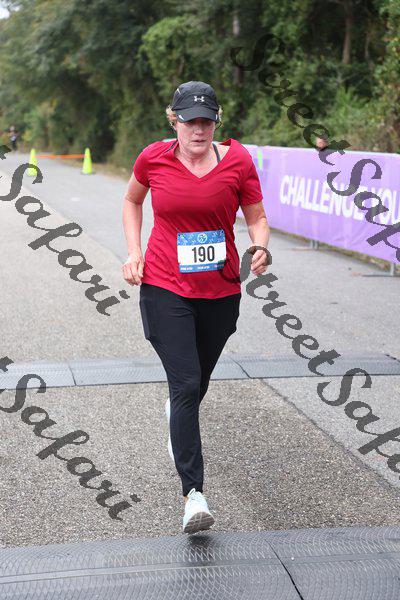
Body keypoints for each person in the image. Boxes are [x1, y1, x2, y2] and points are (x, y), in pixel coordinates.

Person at [122, 80, 271, 534]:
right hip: (165, 286)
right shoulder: (153, 158)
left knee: (195, 384)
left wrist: (261, 246)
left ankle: (178, 417)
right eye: (190, 121)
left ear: (217, 122)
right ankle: (193, 495)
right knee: (186, 383)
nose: (199, 129)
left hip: (221, 291)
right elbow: (131, 200)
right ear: (174, 121)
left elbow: (256, 216)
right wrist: (134, 253)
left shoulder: (239, 161)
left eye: (207, 121)